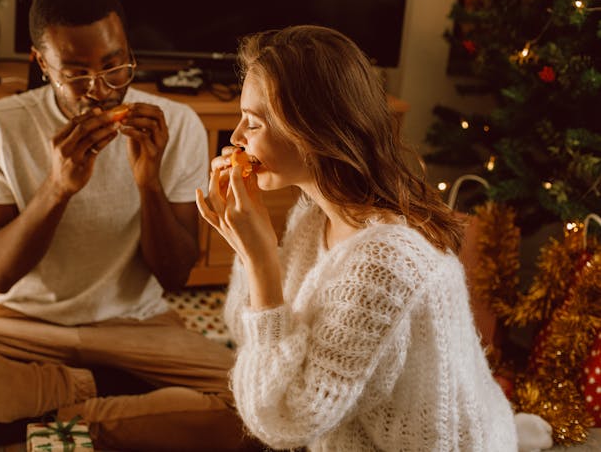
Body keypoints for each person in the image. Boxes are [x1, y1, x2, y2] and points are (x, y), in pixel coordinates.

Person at [0, 0, 258, 451]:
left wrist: (148, 182)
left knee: (256, 406)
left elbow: (172, 275)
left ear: (129, 50)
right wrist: (57, 188)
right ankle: (100, 396)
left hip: (138, 328)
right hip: (23, 326)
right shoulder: (2, 124)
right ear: (42, 64)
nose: (101, 90)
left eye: (115, 66)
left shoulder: (179, 125)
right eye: (76, 73)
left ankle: (56, 421)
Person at [196, 25, 519, 451]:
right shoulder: (314, 217)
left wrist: (261, 261)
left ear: (313, 132)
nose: (237, 138)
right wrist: (251, 250)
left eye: (253, 123)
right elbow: (247, 329)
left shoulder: (384, 264)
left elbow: (282, 419)